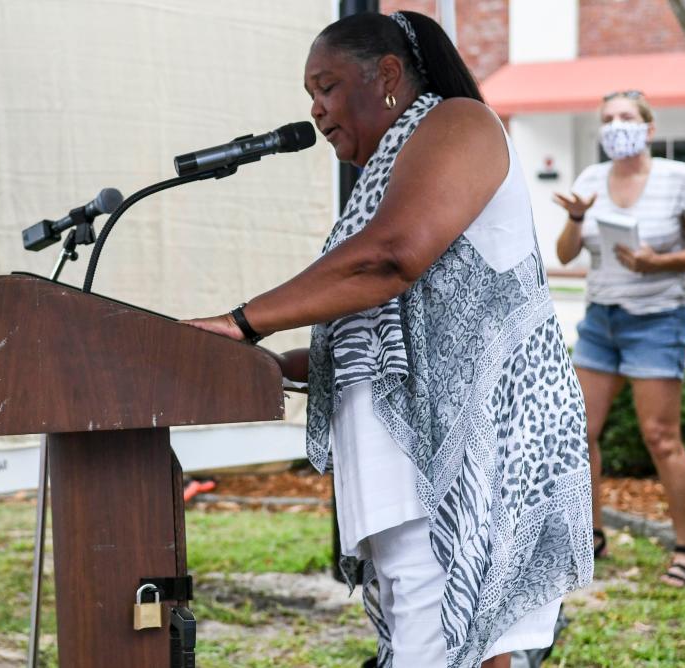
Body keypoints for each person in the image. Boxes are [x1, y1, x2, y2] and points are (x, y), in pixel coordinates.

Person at [184, 11, 592, 668]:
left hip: (472, 457)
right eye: (310, 96)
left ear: (390, 77)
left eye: (327, 87)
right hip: (415, 463)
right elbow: (386, 338)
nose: (316, 110)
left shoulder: (458, 124)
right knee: (463, 652)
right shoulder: (388, 171)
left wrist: (242, 320)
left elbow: (389, 259)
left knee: (447, 651)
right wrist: (273, 363)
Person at [554, 90, 685, 588]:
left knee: (661, 437)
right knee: (578, 432)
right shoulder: (592, 179)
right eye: (608, 118)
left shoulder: (679, 179)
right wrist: (574, 217)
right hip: (602, 321)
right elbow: (567, 254)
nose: (616, 125)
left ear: (649, 128)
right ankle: (590, 538)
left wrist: (660, 262)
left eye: (627, 117)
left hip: (657, 319)